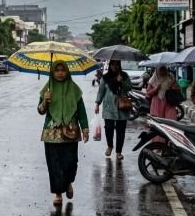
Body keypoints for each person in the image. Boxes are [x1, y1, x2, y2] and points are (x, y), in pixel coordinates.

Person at [37, 61, 89, 206]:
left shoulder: (74, 89)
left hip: (70, 132)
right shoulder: (47, 88)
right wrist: (45, 102)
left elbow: (81, 111)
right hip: (51, 133)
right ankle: (58, 194)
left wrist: (85, 128)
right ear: (52, 73)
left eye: (62, 70)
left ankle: (68, 183)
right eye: (57, 70)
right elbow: (40, 111)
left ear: (67, 72)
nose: (60, 73)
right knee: (54, 165)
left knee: (71, 162)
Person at [95, 60, 132, 160]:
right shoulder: (105, 77)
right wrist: (97, 104)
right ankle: (110, 146)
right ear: (110, 65)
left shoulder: (124, 75)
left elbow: (129, 87)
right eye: (112, 64)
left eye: (116, 64)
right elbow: (101, 91)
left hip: (122, 107)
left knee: (121, 130)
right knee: (108, 128)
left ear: (119, 65)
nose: (114, 66)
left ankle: (119, 152)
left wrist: (122, 82)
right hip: (109, 107)